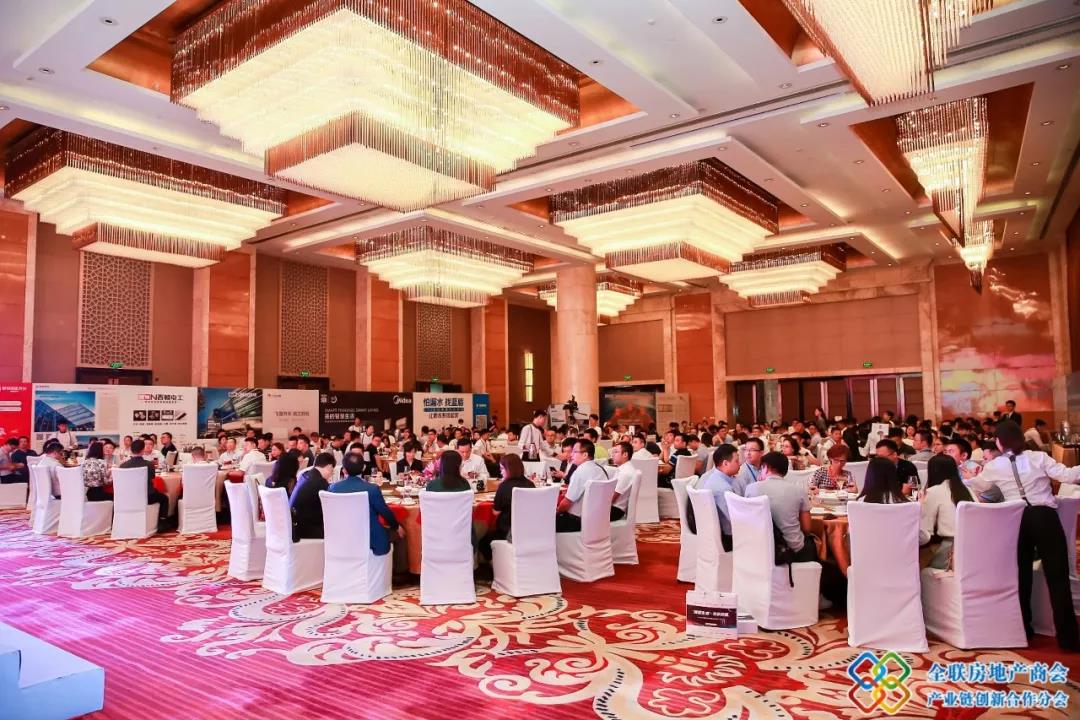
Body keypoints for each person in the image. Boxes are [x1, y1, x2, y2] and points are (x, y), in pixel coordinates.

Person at [969, 421, 1080, 649]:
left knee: (1021, 575)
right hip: (1045, 518)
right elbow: (1068, 476)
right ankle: (1068, 638)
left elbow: (979, 487)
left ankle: (1024, 630)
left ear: (999, 442)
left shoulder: (994, 466)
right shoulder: (1038, 458)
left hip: (1016, 518)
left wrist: (971, 475)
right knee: (1057, 575)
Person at [745, 452, 816, 562]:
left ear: (766, 467)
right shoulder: (798, 490)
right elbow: (807, 528)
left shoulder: (751, 489)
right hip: (792, 550)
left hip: (759, 549)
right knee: (813, 542)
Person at [329, 454, 403, 556]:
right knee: (400, 535)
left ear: (344, 470)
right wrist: (396, 526)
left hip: (342, 538)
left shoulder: (333, 488)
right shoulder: (372, 489)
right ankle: (399, 566)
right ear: (363, 468)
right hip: (371, 539)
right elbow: (385, 512)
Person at [919, 454, 973, 569]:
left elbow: (925, 535)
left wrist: (920, 507)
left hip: (948, 554)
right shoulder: (968, 490)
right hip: (972, 551)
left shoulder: (934, 491)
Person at [479, 453, 534, 561]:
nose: (500, 472)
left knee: (483, 542)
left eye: (502, 469)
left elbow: (495, 512)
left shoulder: (504, 486)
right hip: (528, 530)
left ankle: (496, 564)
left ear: (509, 469)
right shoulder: (530, 484)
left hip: (507, 531)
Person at [555, 439, 608, 532]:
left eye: (575, 452)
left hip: (576, 521)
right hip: (598, 519)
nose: (571, 455)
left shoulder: (580, 472)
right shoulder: (600, 469)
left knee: (541, 519)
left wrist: (557, 511)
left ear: (585, 455)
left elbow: (567, 503)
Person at [696, 444, 740, 551]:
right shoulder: (723, 488)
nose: (740, 464)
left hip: (711, 533)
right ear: (725, 463)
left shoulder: (712, 477)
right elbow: (734, 520)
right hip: (728, 537)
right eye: (736, 461)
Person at [119, 439, 171, 531]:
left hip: (128, 497)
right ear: (143, 450)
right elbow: (152, 478)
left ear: (131, 450)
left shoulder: (123, 466)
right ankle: (162, 523)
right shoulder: (149, 465)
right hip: (146, 497)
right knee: (164, 498)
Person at [289, 452, 337, 540]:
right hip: (306, 530)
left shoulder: (305, 475)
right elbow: (330, 508)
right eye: (332, 469)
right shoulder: (320, 482)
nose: (333, 473)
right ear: (329, 466)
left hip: (295, 525)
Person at [609, 441, 636, 521]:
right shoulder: (624, 468)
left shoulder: (625, 472)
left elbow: (613, 497)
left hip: (615, 510)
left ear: (625, 454)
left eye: (616, 452)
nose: (612, 455)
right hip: (613, 508)